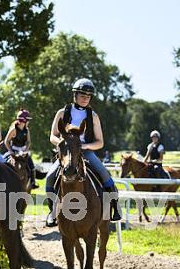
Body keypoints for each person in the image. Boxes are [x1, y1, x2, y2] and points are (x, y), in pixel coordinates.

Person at [44, 78, 122, 227]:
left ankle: (114, 207)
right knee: (49, 177)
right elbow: (52, 136)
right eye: (82, 95)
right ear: (75, 95)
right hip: (67, 153)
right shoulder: (62, 112)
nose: (85, 99)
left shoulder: (93, 116)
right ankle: (52, 212)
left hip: (85, 152)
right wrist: (61, 143)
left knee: (104, 174)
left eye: (88, 96)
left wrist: (86, 147)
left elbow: (100, 142)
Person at [4, 109, 38, 188]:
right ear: (24, 120)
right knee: (3, 161)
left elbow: (28, 142)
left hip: (23, 151)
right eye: (28, 120)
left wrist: (25, 151)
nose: (28, 122)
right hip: (13, 151)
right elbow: (6, 141)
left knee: (31, 166)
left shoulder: (27, 130)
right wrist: (11, 152)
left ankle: (33, 182)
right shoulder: (14, 129)